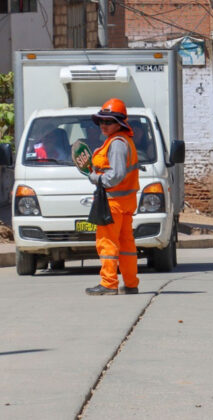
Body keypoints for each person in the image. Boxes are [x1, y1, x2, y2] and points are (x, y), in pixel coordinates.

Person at [85, 98, 140, 296]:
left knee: (107, 242)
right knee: (126, 245)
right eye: (101, 121)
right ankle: (131, 283)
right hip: (124, 202)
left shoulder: (117, 144)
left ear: (119, 123)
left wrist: (94, 177)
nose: (104, 125)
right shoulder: (123, 141)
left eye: (108, 121)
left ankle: (108, 283)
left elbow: (115, 175)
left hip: (113, 202)